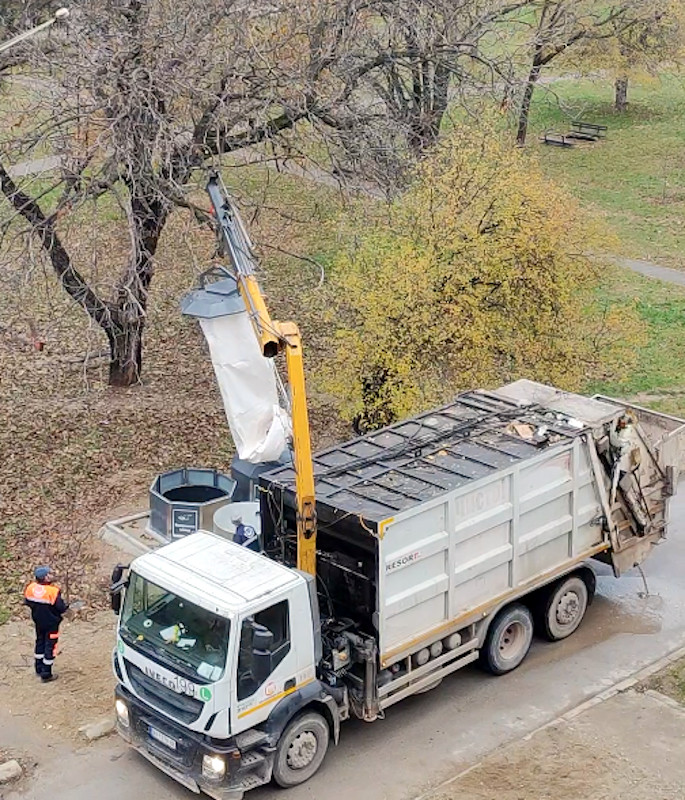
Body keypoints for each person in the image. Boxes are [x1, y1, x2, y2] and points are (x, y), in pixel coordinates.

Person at [24, 566, 69, 682]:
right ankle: (46, 673)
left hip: (38, 621)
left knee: (40, 642)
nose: (51, 575)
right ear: (45, 577)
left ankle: (38, 668)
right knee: (50, 646)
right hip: (51, 623)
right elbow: (61, 608)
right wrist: (65, 607)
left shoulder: (30, 588)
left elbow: (27, 602)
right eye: (49, 574)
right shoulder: (53, 591)